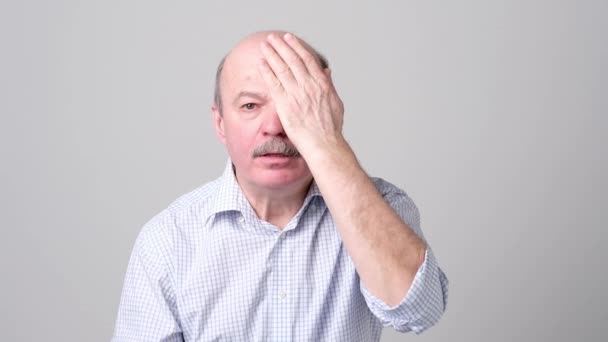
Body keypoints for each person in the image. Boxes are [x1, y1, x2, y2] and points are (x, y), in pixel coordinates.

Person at [112, 30, 448, 342]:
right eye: (250, 106)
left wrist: (327, 142)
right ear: (220, 124)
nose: (274, 126)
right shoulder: (168, 239)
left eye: (294, 105)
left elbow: (419, 309)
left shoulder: (383, 206)